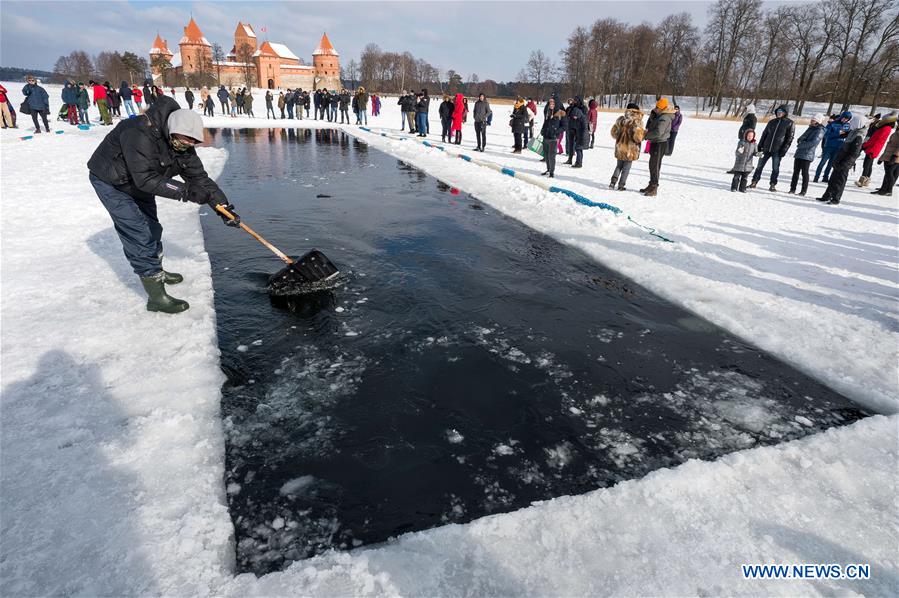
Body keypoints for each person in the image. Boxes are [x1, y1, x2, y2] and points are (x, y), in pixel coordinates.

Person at [87, 96, 237, 314]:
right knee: (139, 233)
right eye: (185, 140)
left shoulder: (182, 146)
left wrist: (222, 207)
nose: (188, 145)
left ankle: (157, 270)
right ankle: (156, 297)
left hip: (141, 183)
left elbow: (200, 179)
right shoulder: (138, 132)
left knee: (153, 228)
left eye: (193, 142)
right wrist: (185, 192)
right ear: (172, 130)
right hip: (112, 182)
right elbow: (146, 179)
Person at [817, 115, 867, 205]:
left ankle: (836, 198)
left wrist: (844, 164)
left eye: (853, 121)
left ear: (858, 123)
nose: (851, 123)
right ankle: (827, 196)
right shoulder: (853, 132)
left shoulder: (859, 136)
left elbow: (854, 154)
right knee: (832, 179)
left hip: (844, 163)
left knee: (840, 182)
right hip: (840, 160)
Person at [749, 104, 794, 191]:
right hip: (765, 148)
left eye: (781, 112)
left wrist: (784, 150)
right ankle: (754, 182)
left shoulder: (790, 123)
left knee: (775, 168)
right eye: (778, 111)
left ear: (785, 113)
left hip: (777, 150)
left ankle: (772, 184)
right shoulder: (772, 122)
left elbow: (789, 138)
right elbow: (764, 134)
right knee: (759, 166)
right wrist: (760, 146)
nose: (779, 113)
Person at [641, 98, 676, 196]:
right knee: (652, 165)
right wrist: (652, 117)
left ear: (663, 108)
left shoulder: (664, 118)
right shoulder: (660, 116)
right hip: (655, 143)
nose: (656, 109)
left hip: (659, 144)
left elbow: (658, 132)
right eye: (656, 107)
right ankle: (651, 185)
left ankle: (654, 188)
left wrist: (645, 136)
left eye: (658, 108)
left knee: (655, 166)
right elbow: (652, 126)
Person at [609, 102, 645, 191]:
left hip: (620, 147)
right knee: (626, 168)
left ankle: (612, 182)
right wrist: (643, 134)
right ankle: (621, 185)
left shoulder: (621, 120)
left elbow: (614, 133)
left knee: (619, 166)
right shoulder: (637, 121)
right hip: (630, 149)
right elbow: (638, 138)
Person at [789, 113, 826, 196]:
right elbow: (800, 138)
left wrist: (801, 144)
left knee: (804, 173)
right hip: (799, 153)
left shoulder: (820, 130)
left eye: (813, 120)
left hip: (807, 154)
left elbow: (813, 142)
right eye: (812, 120)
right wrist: (802, 141)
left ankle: (803, 191)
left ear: (818, 122)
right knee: (796, 172)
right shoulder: (810, 128)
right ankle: (792, 189)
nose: (811, 121)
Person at [857, 112, 896, 187]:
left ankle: (862, 181)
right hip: (875, 148)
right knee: (869, 164)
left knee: (866, 164)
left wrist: (865, 145)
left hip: (873, 148)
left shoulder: (885, 128)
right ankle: (866, 180)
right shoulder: (886, 128)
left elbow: (874, 139)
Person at [815, 111, 851, 182]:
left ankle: (825, 177)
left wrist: (847, 135)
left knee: (831, 163)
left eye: (847, 119)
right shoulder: (833, 124)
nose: (845, 120)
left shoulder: (847, 125)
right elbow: (826, 135)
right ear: (841, 116)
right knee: (823, 162)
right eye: (844, 118)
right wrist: (838, 133)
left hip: (838, 147)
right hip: (829, 146)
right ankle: (816, 177)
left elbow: (847, 136)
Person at [871, 127, 899, 196]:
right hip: (888, 155)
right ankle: (883, 189)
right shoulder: (897, 131)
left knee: (889, 173)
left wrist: (895, 155)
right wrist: (881, 157)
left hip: (893, 156)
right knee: (888, 173)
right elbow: (889, 145)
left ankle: (888, 190)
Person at [541, 109, 564, 178]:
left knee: (552, 156)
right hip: (546, 137)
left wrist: (556, 132)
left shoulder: (560, 115)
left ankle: (551, 172)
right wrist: (543, 131)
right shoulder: (548, 116)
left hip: (553, 139)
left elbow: (564, 126)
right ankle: (548, 169)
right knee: (546, 155)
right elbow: (545, 125)